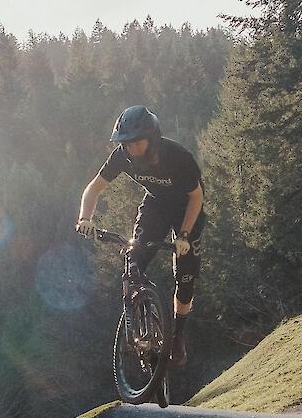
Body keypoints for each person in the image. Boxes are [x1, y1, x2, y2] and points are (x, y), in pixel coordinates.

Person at [76, 106, 205, 367]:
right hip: (156, 205)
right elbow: (94, 188)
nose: (130, 148)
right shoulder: (121, 157)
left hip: (187, 211)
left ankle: (178, 339)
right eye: (125, 143)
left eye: (136, 142)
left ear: (152, 137)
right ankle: (141, 315)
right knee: (133, 256)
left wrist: (184, 235)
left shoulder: (178, 157)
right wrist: (84, 218)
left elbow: (196, 197)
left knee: (186, 279)